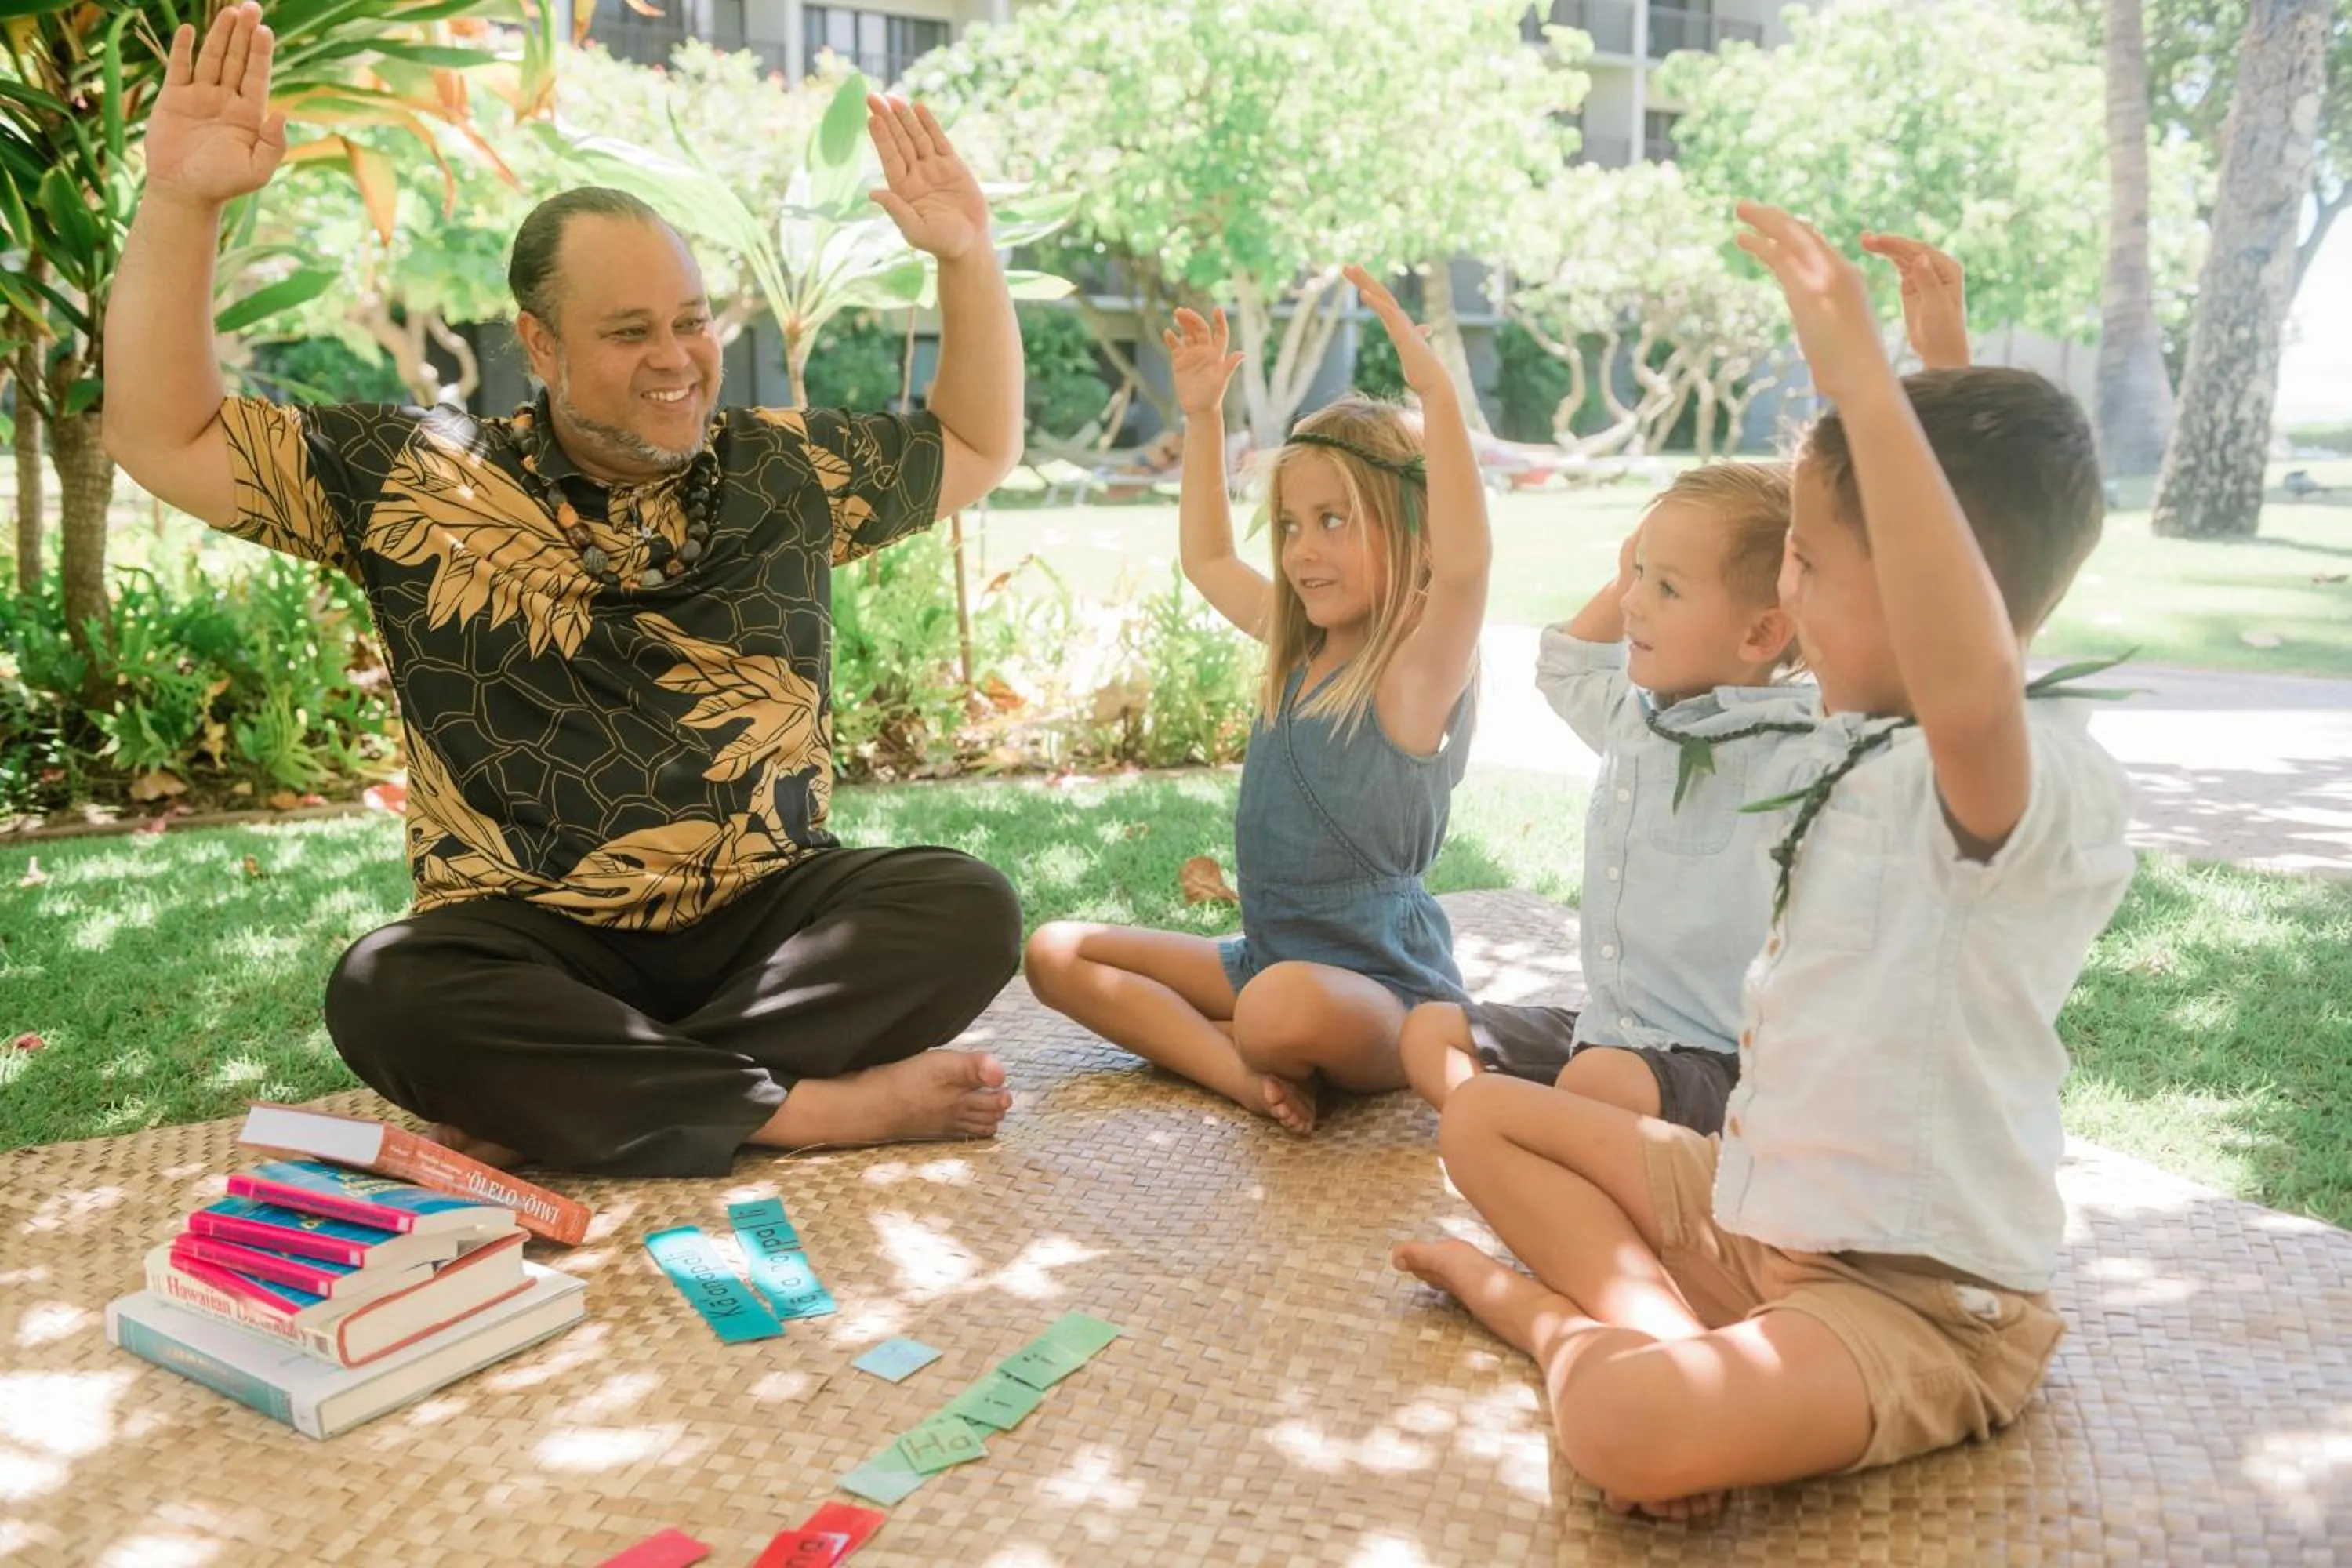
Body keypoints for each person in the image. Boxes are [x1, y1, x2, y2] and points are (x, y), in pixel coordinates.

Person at [103, 3, 1029, 1176]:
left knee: (966, 906)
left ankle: (591, 1094)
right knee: (387, 991)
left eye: (691, 323)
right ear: (539, 347)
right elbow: (161, 432)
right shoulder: (418, 480)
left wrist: (963, 253)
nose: (677, 360)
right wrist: (182, 201)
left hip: (766, 917)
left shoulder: (784, 470)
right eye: (630, 330)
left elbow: (975, 443)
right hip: (532, 942)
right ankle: (799, 1110)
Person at [1392, 206, 2135, 1517]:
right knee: (1483, 1109)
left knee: (1625, 1432)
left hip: (1911, 1302)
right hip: (1753, 1208)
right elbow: (1961, 595)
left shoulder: (2007, 777)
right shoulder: (1855, 733)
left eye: (1805, 551)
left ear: (1918, 590)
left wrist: (1864, 385)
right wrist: (1935, 374)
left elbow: (1966, 659)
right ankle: (1659, 1327)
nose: (1783, 586)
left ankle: (1555, 1327)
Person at [1024, 273, 1491, 1134]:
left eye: (1335, 521)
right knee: (1055, 951)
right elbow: (1207, 559)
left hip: (1384, 994)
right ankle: (1236, 1073)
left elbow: (1465, 570)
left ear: (1410, 530)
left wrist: (1436, 397)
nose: (1303, 549)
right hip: (1264, 959)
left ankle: (1249, 1044)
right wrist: (1202, 419)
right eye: (1289, 524)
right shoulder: (1294, 643)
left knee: (1280, 1010)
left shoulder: (1414, 673)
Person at [1398, 461, 1813, 1134]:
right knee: (1431, 1031)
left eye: (1667, 588)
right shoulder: (1636, 714)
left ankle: (1539, 1141)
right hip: (1614, 1033)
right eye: (1638, 575)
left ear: (1762, 635)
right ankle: (1537, 1136)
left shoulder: (1798, 747)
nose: (1632, 602)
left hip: (1728, 1068)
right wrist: (1634, 568)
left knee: (1597, 1081)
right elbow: (1564, 662)